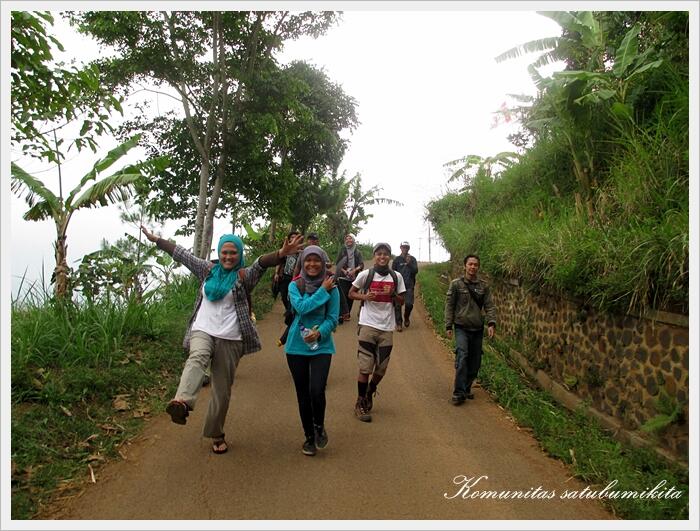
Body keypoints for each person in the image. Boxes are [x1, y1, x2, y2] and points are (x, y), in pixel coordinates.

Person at [140, 225, 303, 454]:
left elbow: (261, 263)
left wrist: (280, 254)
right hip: (203, 329)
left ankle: (216, 433)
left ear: (239, 255)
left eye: (233, 253)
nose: (228, 257)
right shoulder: (207, 269)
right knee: (197, 356)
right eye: (224, 252)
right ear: (219, 253)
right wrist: (156, 239)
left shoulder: (245, 276)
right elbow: (181, 255)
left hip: (231, 337)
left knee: (222, 391)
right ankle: (182, 402)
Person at [285, 245, 340, 456]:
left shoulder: (333, 288)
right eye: (308, 260)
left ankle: (319, 426)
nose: (312, 264)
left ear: (323, 263)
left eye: (317, 260)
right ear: (302, 262)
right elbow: (301, 309)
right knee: (303, 395)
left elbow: (332, 319)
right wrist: (322, 291)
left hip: (322, 346)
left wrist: (319, 333)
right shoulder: (294, 286)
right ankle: (308, 436)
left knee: (317, 391)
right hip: (295, 348)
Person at [348, 242, 405, 422]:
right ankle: (360, 402)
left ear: (390, 256)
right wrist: (364, 296)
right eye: (379, 254)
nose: (382, 257)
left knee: (381, 368)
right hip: (367, 325)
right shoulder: (366, 275)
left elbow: (402, 301)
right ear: (374, 256)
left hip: (387, 327)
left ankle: (371, 390)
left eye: (385, 254)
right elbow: (351, 293)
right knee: (365, 367)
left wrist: (393, 295)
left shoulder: (396, 277)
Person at [444, 254, 497, 405]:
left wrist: (492, 323)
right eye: (470, 264)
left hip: (477, 328)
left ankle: (466, 387)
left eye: (475, 265)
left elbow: (489, 306)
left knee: (475, 362)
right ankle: (458, 393)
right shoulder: (456, 285)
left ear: (478, 267)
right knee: (463, 356)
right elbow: (449, 306)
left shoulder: (483, 286)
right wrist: (448, 325)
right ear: (465, 266)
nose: (473, 267)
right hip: (461, 327)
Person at [335, 233, 364, 322]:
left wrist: (354, 271)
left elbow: (361, 265)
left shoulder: (358, 252)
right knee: (342, 295)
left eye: (350, 238)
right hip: (343, 277)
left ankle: (347, 313)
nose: (348, 240)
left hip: (354, 278)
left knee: (350, 296)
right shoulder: (342, 251)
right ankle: (341, 313)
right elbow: (338, 263)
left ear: (353, 240)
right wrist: (345, 271)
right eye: (347, 239)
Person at [391, 241, 418, 332]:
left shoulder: (412, 259)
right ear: (400, 248)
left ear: (409, 248)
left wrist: (409, 263)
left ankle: (406, 317)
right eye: (403, 247)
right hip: (398, 286)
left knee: (409, 304)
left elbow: (415, 271)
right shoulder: (397, 259)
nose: (405, 249)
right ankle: (399, 324)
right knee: (397, 305)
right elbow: (392, 272)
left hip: (409, 285)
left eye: (406, 247)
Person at [274, 230, 302, 313]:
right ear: (289, 239)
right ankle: (288, 309)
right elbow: (279, 262)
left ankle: (291, 310)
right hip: (285, 276)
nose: (293, 238)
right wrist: (276, 273)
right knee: (284, 295)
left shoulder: (300, 251)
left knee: (293, 294)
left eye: (295, 237)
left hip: (296, 277)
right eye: (292, 237)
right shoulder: (285, 250)